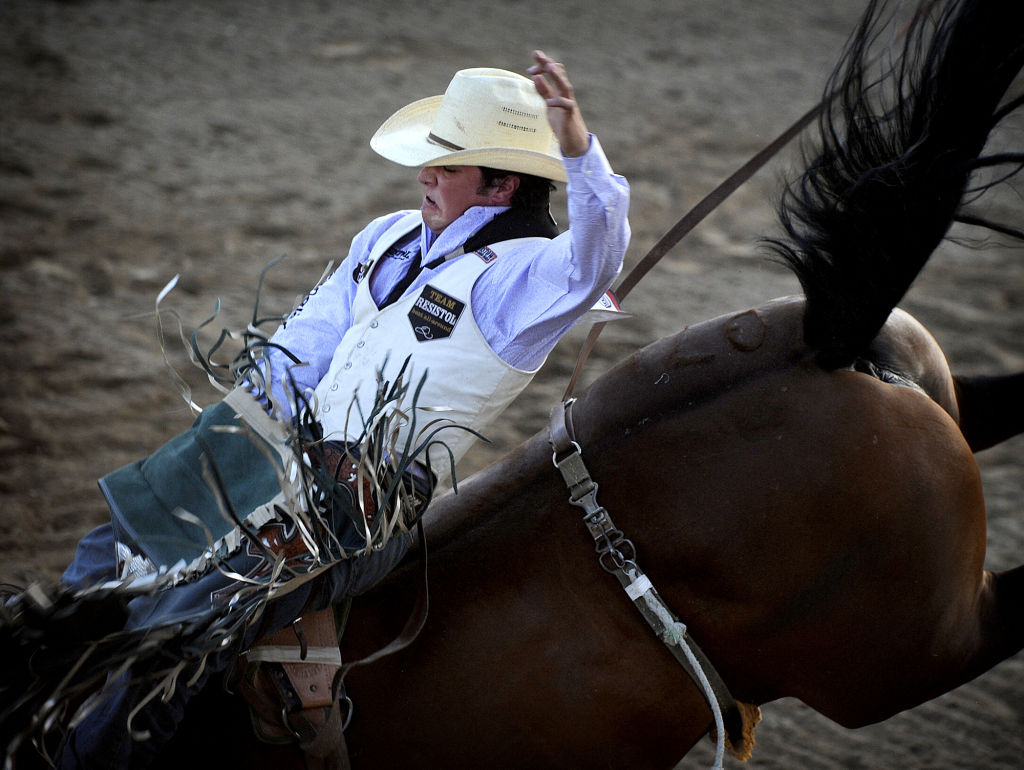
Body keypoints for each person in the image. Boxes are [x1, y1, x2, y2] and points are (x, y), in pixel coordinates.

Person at [54, 50, 630, 768]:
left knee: (184, 626)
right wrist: (230, 439)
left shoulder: (526, 279)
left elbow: (599, 254)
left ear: (501, 185)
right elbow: (303, 347)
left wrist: (577, 146)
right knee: (112, 545)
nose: (425, 175)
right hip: (275, 451)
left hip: (362, 505)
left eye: (447, 165)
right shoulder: (388, 236)